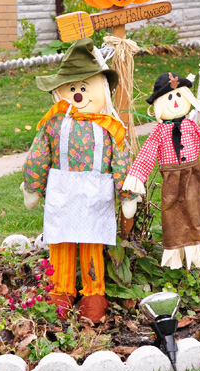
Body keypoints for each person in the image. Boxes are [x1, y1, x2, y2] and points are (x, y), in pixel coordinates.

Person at [21, 38, 139, 323]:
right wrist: (33, 187)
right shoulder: (53, 123)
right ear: (60, 90)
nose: (77, 94)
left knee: (91, 243)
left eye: (84, 88)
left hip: (95, 198)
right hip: (62, 196)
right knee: (60, 242)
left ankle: (93, 292)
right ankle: (60, 289)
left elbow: (120, 163)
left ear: (101, 90)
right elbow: (39, 156)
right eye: (72, 88)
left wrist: (127, 196)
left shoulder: (110, 128)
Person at [123, 72, 200, 270]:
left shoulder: (191, 126)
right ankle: (175, 255)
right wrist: (137, 176)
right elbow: (147, 155)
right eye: (169, 97)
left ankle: (194, 257)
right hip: (171, 177)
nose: (175, 102)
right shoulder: (159, 132)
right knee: (171, 213)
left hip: (192, 175)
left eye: (178, 96)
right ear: (159, 104)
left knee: (193, 211)